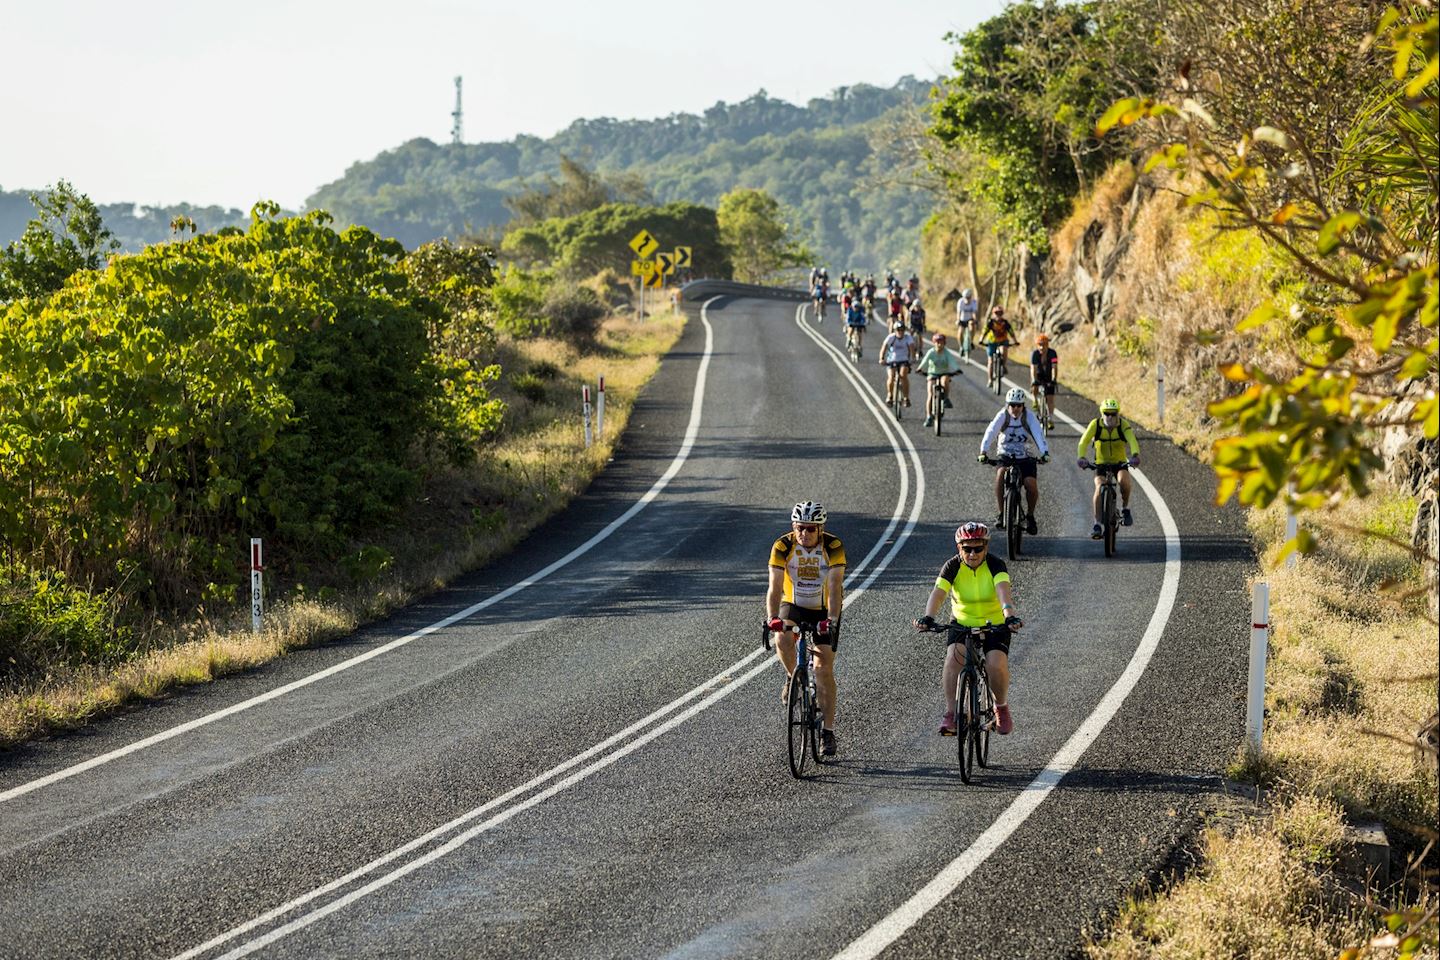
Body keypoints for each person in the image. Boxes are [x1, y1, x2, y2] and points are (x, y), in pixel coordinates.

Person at [913, 521, 1022, 736]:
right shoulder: (952, 566)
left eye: (978, 548)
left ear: (986, 548)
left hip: (995, 623)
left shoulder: (996, 565)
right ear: (959, 548)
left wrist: (1009, 615)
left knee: (995, 663)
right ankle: (951, 714)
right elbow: (939, 593)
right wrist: (928, 616)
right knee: (954, 657)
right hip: (962, 622)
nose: (973, 554)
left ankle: (1001, 708)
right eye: (967, 548)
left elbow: (1003, 592)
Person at [767, 501, 846, 756]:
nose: (805, 534)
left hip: (824, 607)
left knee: (823, 670)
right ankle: (793, 677)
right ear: (794, 526)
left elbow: (834, 586)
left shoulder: (832, 546)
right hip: (794, 603)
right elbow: (775, 586)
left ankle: (828, 732)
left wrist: (832, 619)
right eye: (801, 528)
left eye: (811, 529)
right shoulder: (783, 546)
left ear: (820, 529)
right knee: (781, 637)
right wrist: (771, 617)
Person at [978, 387, 1051, 534]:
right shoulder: (1002, 416)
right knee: (1000, 476)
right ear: (1007, 405)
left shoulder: (1029, 417)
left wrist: (1044, 453)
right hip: (1005, 455)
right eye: (1012, 405)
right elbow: (991, 431)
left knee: (1031, 485)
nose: (1015, 408)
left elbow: (1038, 434)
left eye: (1019, 405)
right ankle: (1001, 513)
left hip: (1026, 456)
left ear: (1023, 406)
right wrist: (983, 451)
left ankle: (1030, 516)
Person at [1077, 397, 1141, 539]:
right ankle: (1097, 524)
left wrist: (1135, 455)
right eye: (1107, 413)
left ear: (1118, 414)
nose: (1110, 417)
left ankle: (1125, 509)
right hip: (1101, 464)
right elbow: (1083, 442)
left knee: (1124, 481)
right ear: (1102, 413)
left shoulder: (1123, 425)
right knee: (1099, 487)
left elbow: (1132, 440)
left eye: (1113, 414)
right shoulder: (1096, 425)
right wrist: (1081, 457)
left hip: (1119, 463)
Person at [916, 332, 963, 427]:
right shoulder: (931, 352)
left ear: (944, 343)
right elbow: (925, 361)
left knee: (945, 380)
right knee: (930, 394)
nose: (939, 344)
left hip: (943, 373)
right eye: (937, 342)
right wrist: (920, 368)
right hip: (932, 373)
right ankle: (929, 416)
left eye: (941, 342)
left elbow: (952, 362)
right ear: (934, 343)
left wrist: (957, 369)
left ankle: (945, 398)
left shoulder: (946, 352)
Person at [879, 320, 917, 407]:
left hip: (904, 360)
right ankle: (890, 395)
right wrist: (881, 358)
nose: (900, 332)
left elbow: (912, 348)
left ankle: (906, 398)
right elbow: (884, 347)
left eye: (902, 330)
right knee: (891, 377)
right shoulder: (891, 337)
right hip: (892, 360)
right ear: (895, 330)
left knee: (903, 375)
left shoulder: (908, 338)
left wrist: (913, 358)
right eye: (898, 330)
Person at [979, 305, 1016, 386]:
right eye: (996, 313)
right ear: (993, 313)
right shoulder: (991, 322)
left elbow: (1011, 332)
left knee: (1004, 350)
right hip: (992, 342)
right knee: (991, 361)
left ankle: (1004, 365)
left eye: (1000, 313)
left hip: (1003, 340)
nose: (998, 315)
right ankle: (990, 380)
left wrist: (1015, 341)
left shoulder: (1005, 322)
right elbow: (985, 331)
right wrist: (981, 339)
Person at [1029, 333, 1059, 427]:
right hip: (1038, 374)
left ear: (1047, 345)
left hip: (1049, 375)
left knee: (1050, 398)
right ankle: (1035, 400)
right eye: (1040, 345)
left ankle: (1050, 419)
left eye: (1044, 345)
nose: (1042, 347)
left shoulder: (1053, 353)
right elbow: (1033, 368)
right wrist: (1034, 380)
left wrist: (1054, 379)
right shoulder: (1034, 354)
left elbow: (1054, 367)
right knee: (1034, 387)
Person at [956, 289, 979, 355]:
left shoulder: (974, 302)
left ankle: (971, 341)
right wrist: (958, 320)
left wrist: (975, 320)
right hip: (962, 319)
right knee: (960, 332)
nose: (967, 299)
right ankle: (961, 346)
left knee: (972, 325)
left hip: (970, 319)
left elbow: (974, 313)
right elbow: (958, 312)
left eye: (969, 297)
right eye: (966, 297)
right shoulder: (960, 302)